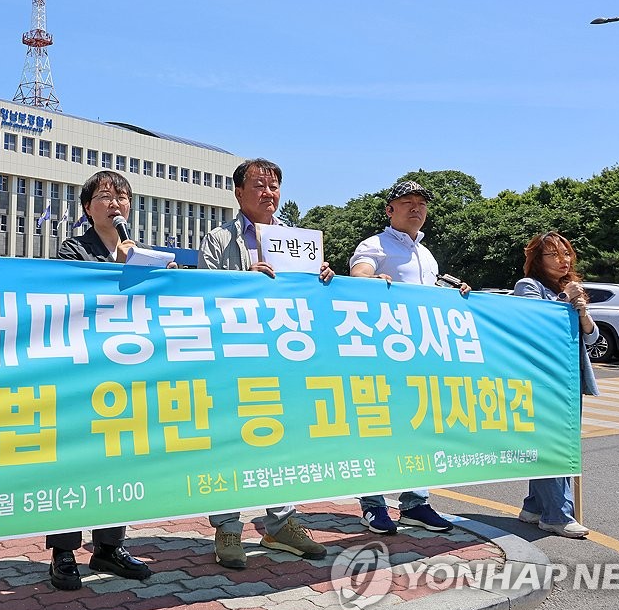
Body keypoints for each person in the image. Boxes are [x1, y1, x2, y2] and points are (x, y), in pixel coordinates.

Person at [199, 157, 336, 569]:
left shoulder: (297, 241)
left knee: (284, 438)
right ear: (238, 192)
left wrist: (321, 276)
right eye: (258, 185)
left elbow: (307, 298)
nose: (268, 192)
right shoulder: (217, 240)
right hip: (234, 358)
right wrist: (244, 276)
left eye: (274, 185)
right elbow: (202, 293)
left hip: (284, 357)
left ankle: (281, 523)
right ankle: (227, 526)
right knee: (228, 439)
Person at [46, 169, 160, 590]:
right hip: (83, 374)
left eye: (123, 197)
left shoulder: (140, 253)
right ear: (88, 207)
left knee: (119, 459)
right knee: (74, 462)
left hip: (127, 375)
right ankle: (63, 552)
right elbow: (73, 298)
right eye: (106, 197)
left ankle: (109, 547)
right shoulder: (74, 250)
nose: (116, 204)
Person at [348, 179, 467, 535]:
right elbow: (358, 275)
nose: (416, 208)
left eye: (422, 203)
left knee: (419, 427)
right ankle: (373, 505)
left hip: (421, 357)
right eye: (408, 202)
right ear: (390, 210)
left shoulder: (426, 254)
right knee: (376, 429)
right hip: (380, 356)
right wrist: (371, 278)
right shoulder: (375, 244)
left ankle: (416, 503)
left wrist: (454, 291)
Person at [512, 231, 599, 539]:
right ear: (538, 259)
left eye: (566, 255)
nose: (563, 260)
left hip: (569, 378)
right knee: (555, 445)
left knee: (553, 443)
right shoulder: (529, 286)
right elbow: (536, 324)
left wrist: (583, 311)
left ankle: (535, 506)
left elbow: (592, 337)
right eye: (554, 255)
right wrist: (566, 300)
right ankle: (557, 515)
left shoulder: (570, 287)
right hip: (543, 379)